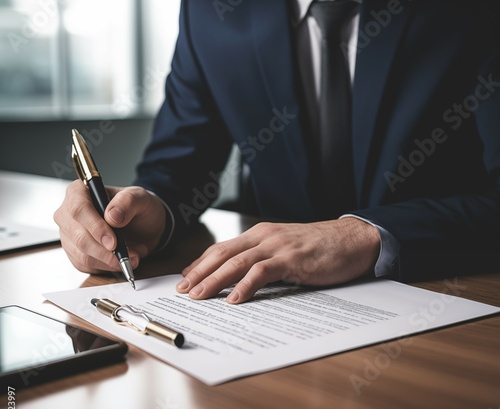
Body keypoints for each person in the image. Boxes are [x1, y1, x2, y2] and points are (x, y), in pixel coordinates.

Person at [55, 0, 500, 304]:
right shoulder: (212, 12)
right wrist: (149, 212)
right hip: (277, 307)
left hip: (449, 292)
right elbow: (177, 165)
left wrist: (364, 236)